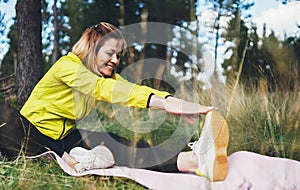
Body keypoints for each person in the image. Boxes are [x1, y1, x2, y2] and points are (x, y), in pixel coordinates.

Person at [0, 22, 229, 182]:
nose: (115, 60)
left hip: (66, 138)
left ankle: (193, 161)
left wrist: (171, 101)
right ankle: (63, 156)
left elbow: (132, 90)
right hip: (29, 133)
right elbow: (101, 89)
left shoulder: (105, 76)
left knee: (113, 140)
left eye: (118, 55)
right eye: (110, 53)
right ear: (92, 48)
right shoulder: (67, 66)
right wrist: (165, 104)